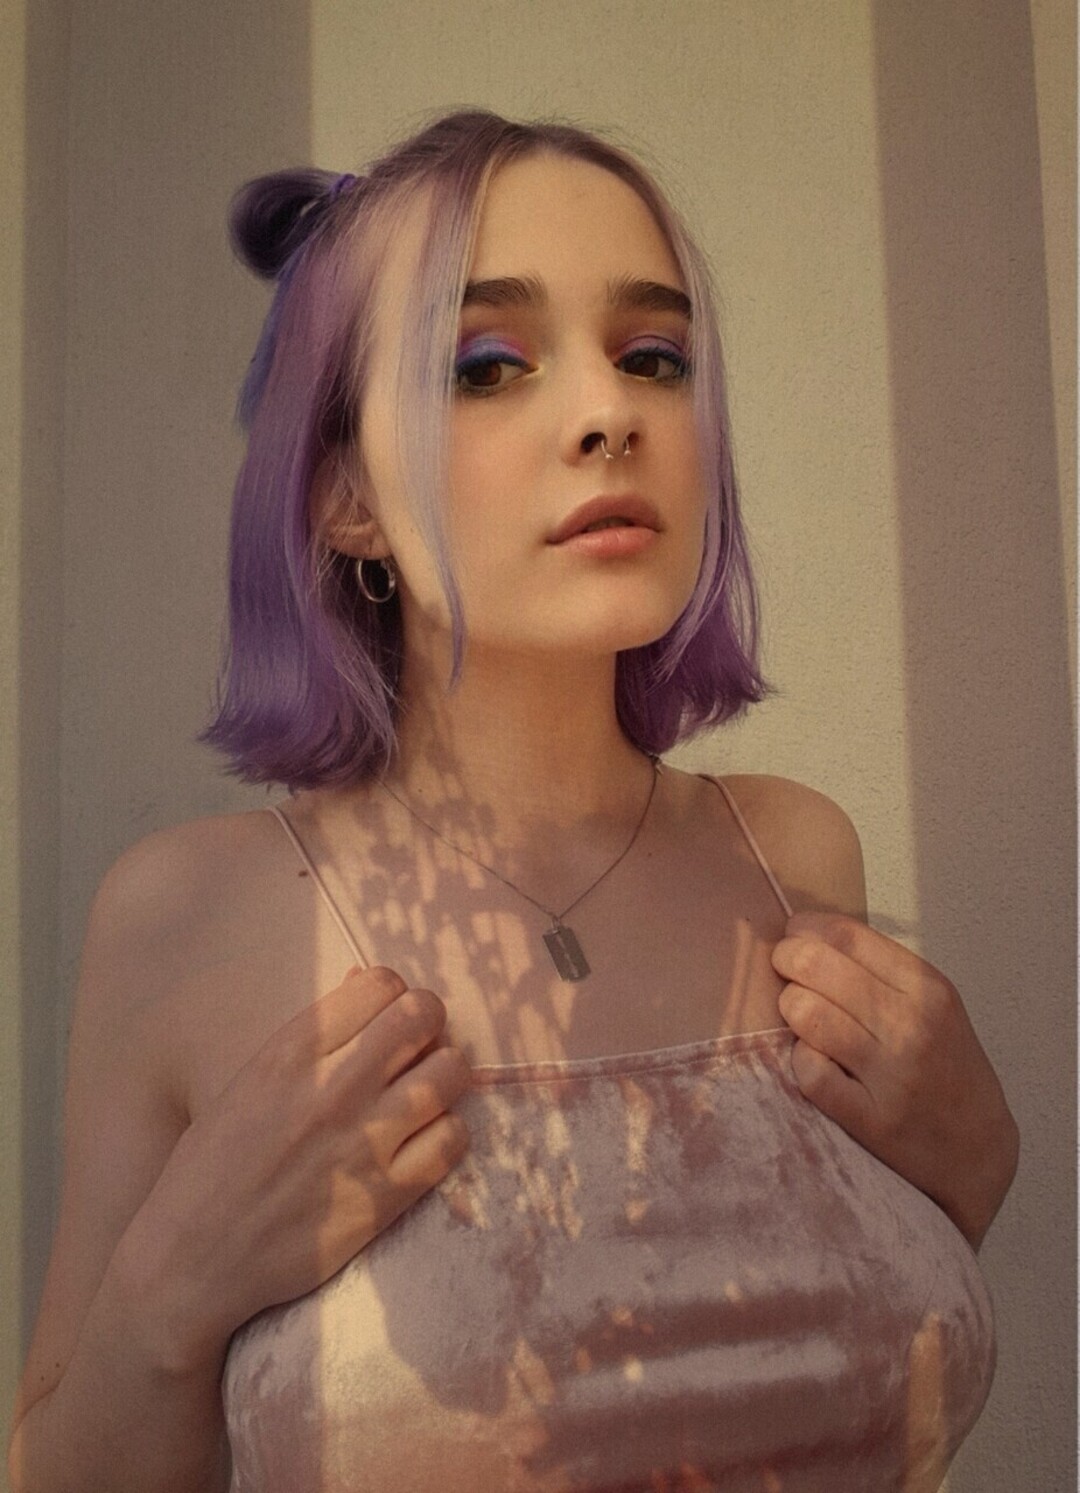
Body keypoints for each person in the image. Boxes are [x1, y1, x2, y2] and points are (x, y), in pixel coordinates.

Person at [8, 108, 1019, 1493]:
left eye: (653, 357)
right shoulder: (186, 918)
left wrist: (979, 1172)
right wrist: (168, 1294)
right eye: (487, 366)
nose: (611, 414)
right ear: (345, 498)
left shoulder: (794, 858)